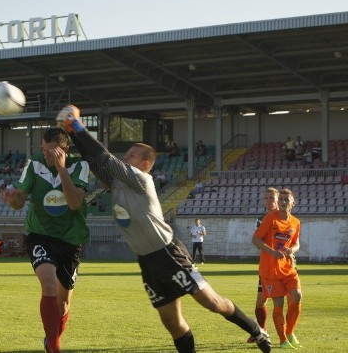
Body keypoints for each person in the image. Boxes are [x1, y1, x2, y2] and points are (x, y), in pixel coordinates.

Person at [56, 105, 271, 353]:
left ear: (145, 164)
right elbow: (96, 162)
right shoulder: (117, 183)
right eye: (126, 155)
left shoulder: (140, 179)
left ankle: (256, 330)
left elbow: (104, 159)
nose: (126, 158)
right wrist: (72, 134)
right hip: (147, 261)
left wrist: (77, 126)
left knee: (212, 302)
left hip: (169, 253)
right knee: (171, 322)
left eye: (132, 156)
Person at [0, 127, 90, 353]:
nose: (47, 155)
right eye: (44, 150)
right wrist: (13, 199)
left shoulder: (80, 166)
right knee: (48, 284)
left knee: (63, 303)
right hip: (39, 234)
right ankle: (54, 346)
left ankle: (52, 338)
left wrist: (61, 169)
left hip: (70, 239)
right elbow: (19, 201)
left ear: (65, 149)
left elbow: (74, 204)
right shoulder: (34, 163)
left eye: (52, 151)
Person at [252, 188, 302, 349]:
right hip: (270, 269)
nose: (283, 201)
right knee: (268, 302)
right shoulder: (267, 219)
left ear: (293, 203)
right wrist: (272, 251)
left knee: (296, 296)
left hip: (287, 267)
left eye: (286, 199)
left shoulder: (295, 222)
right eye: (281, 199)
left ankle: (289, 332)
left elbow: (296, 243)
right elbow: (256, 239)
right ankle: (269, 333)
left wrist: (292, 251)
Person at [247, 187, 280, 344]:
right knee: (260, 302)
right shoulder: (261, 219)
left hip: (281, 266)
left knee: (278, 302)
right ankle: (262, 331)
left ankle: (285, 336)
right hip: (266, 265)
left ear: (277, 199)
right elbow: (258, 242)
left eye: (271, 197)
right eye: (266, 198)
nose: (268, 200)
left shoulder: (284, 217)